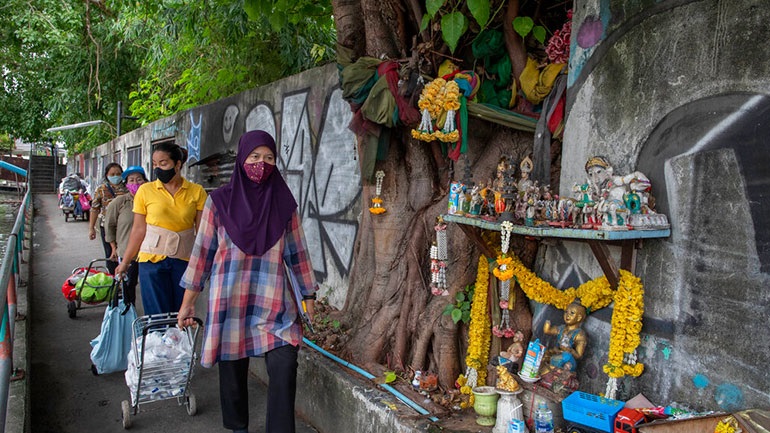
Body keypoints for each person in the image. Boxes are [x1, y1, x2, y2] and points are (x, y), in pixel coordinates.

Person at [177, 130, 317, 433]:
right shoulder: (219, 203)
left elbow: (298, 255)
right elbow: (201, 256)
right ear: (242, 159)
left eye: (269, 158)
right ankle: (238, 427)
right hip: (230, 301)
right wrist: (187, 304)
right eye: (254, 157)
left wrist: (309, 298)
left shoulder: (284, 204)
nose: (261, 163)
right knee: (232, 367)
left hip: (274, 305)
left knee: (284, 366)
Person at [114, 143, 207, 315]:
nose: (158, 168)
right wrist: (125, 262)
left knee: (181, 315)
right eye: (155, 164)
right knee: (156, 317)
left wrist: (203, 264)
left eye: (163, 163)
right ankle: (156, 343)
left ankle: (178, 343)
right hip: (151, 261)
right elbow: (138, 230)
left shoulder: (197, 191)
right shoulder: (146, 191)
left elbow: (202, 232)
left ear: (177, 164)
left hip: (184, 261)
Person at [103, 166, 148, 308]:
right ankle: (130, 315)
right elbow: (108, 226)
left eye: (139, 179)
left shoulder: (152, 201)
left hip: (149, 252)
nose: (136, 183)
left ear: (145, 181)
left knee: (149, 287)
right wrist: (113, 248)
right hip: (127, 252)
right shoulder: (119, 202)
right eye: (132, 180)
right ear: (127, 184)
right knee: (129, 285)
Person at [89, 163, 129, 274]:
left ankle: (124, 278)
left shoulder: (128, 188)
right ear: (107, 175)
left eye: (118, 174)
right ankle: (112, 280)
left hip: (124, 228)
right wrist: (91, 228)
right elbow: (94, 209)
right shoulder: (101, 189)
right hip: (106, 228)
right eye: (112, 174)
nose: (115, 176)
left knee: (126, 253)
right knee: (111, 254)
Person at [541, 302, 588, 373]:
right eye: (566, 312)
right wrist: (547, 324)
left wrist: (569, 350)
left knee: (565, 356)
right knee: (542, 354)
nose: (567, 315)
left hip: (568, 360)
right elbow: (548, 331)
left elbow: (578, 355)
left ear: (579, 318)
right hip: (556, 353)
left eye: (572, 313)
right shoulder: (561, 328)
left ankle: (551, 372)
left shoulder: (580, 334)